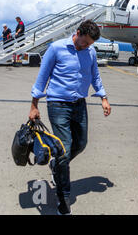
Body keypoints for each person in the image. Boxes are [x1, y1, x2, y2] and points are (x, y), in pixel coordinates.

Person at [28, 20, 112, 215]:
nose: (86, 46)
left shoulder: (90, 51)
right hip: (58, 105)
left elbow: (95, 75)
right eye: (85, 42)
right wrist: (34, 105)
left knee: (81, 143)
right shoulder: (56, 48)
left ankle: (56, 164)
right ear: (78, 32)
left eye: (90, 44)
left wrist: (104, 98)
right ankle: (63, 198)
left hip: (79, 104)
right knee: (64, 150)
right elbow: (42, 77)